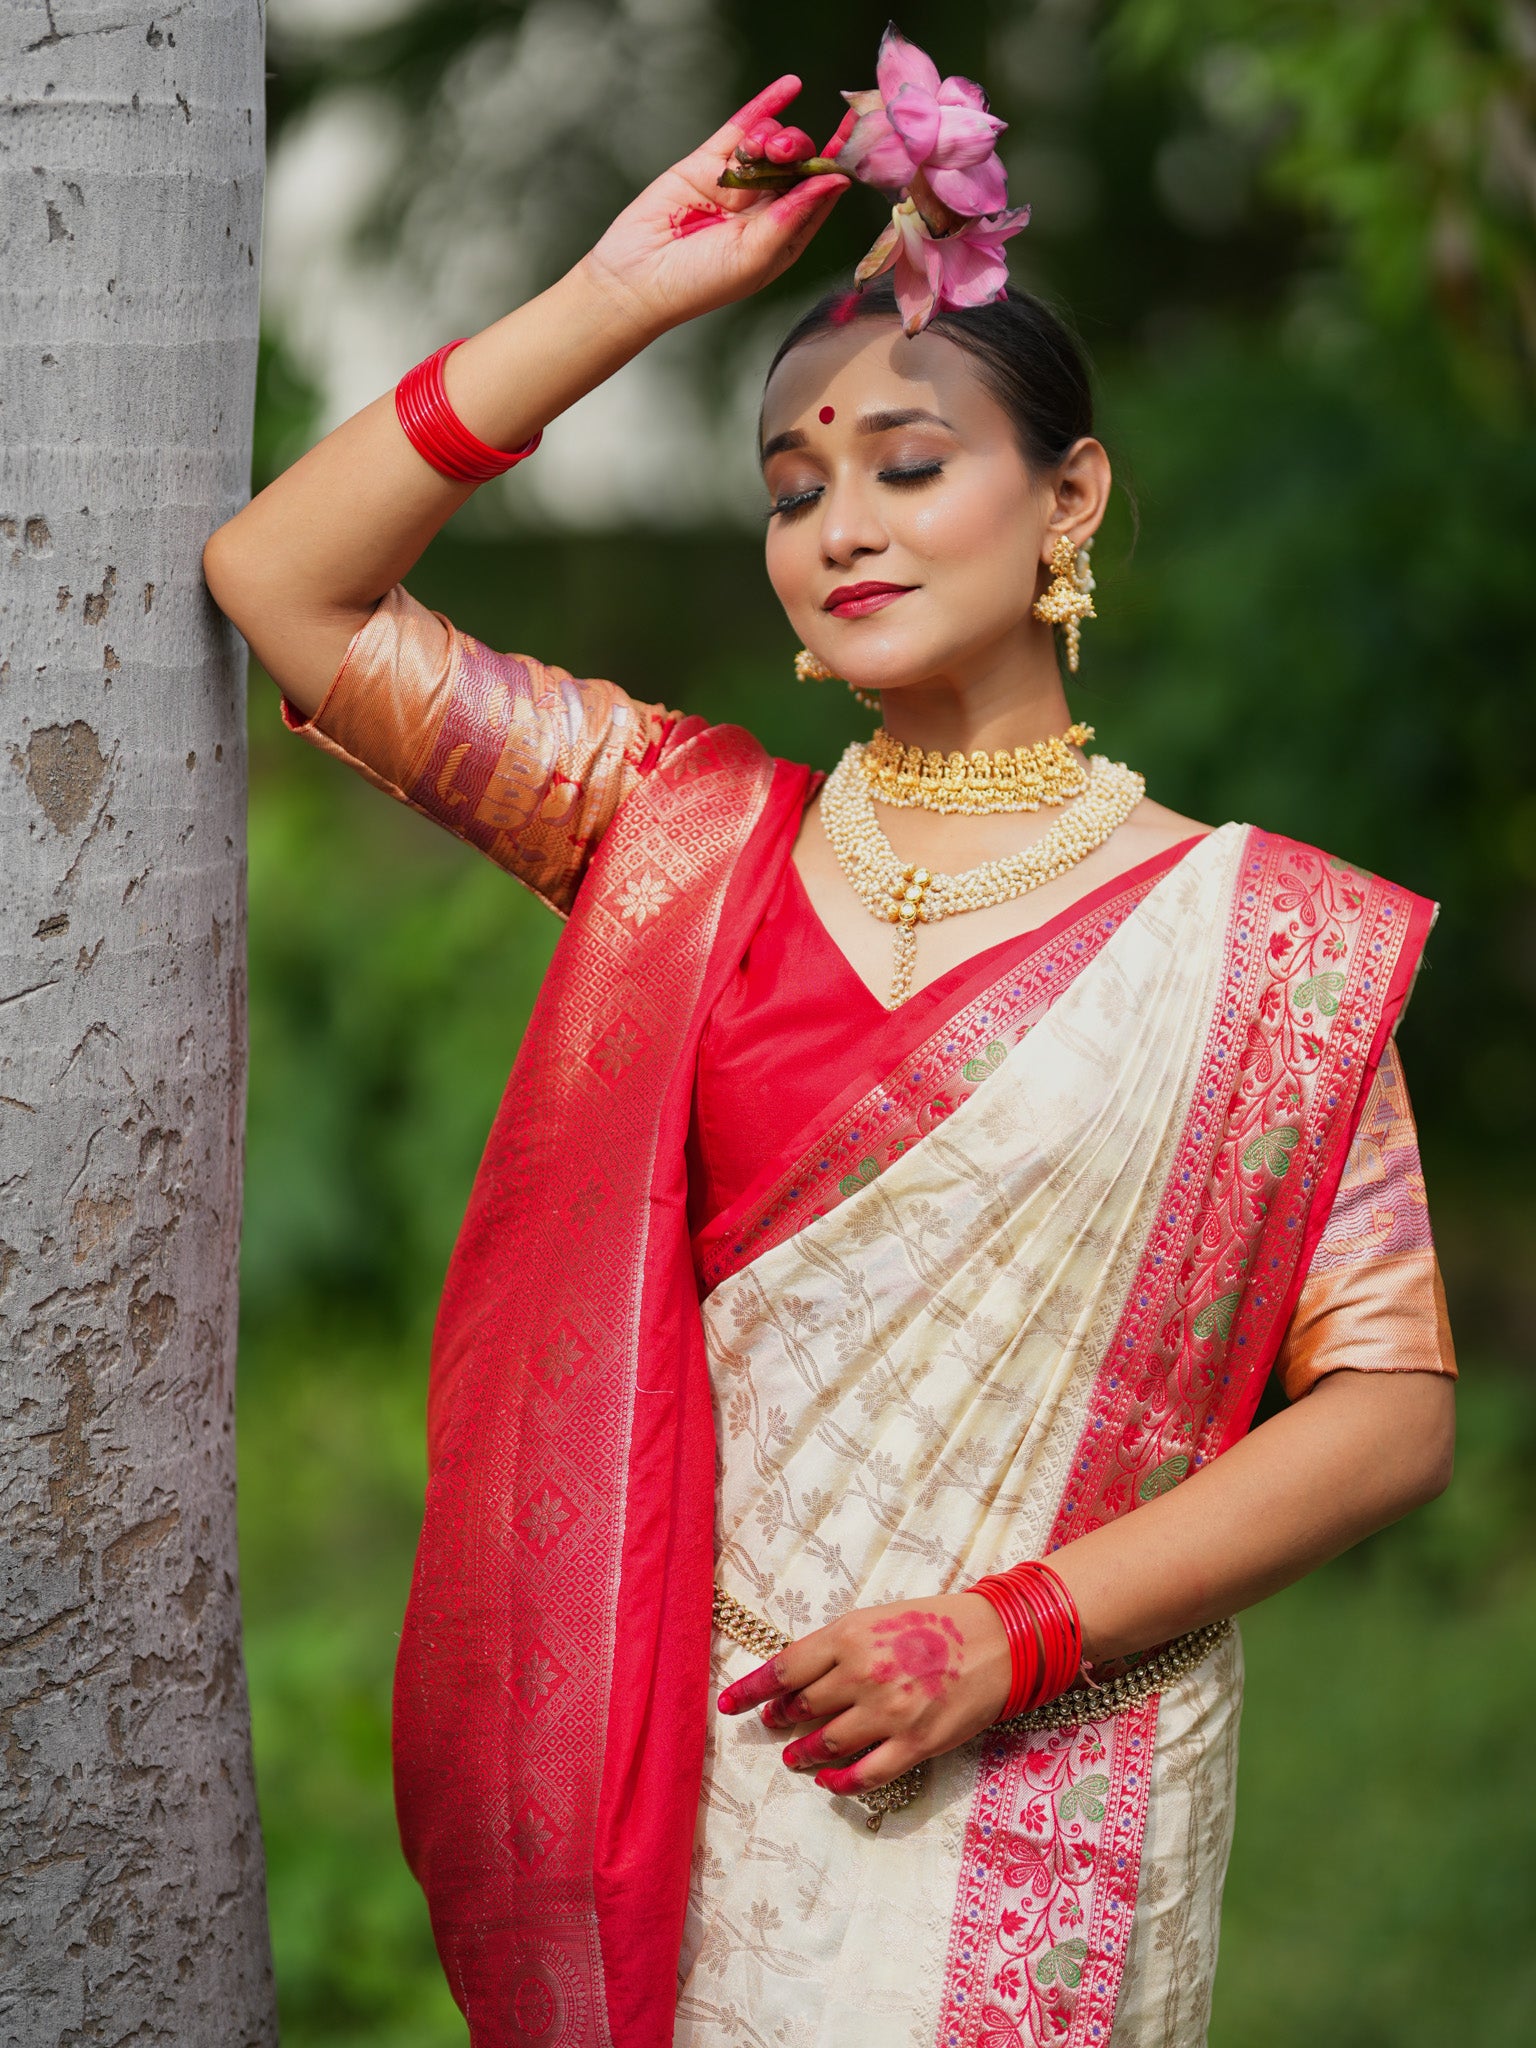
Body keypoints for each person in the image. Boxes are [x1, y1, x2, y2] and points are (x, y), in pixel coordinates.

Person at [205, 75, 1457, 2048]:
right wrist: (620, 296)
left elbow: (1386, 1407)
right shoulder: (677, 834)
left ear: (1070, 499)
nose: (841, 528)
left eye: (907, 464)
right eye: (794, 489)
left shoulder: (1264, 943)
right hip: (696, 1775)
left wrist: (1003, 1635)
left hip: (1046, 1782)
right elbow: (287, 581)